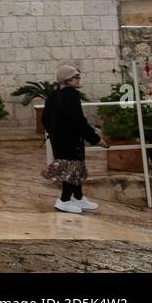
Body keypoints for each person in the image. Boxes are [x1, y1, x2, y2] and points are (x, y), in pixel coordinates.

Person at [40, 64, 102, 214]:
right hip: (70, 139)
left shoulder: (53, 94)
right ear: (67, 79)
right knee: (71, 168)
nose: (78, 79)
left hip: (60, 139)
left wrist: (54, 132)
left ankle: (78, 197)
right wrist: (96, 139)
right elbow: (78, 120)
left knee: (78, 166)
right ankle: (64, 201)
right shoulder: (71, 95)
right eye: (76, 77)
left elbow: (44, 118)